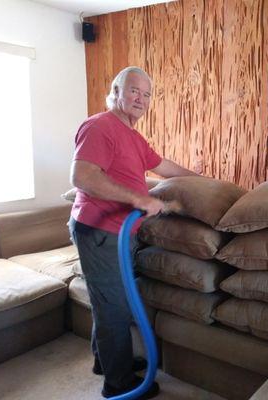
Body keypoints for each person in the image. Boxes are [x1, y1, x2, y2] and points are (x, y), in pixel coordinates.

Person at [68, 66, 198, 399]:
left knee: (113, 300)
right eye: (133, 91)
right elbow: (82, 176)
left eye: (147, 94)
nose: (140, 99)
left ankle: (107, 361)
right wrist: (139, 198)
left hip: (119, 232)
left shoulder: (133, 136)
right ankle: (118, 383)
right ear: (116, 91)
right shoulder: (100, 126)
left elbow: (163, 165)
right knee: (113, 306)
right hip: (98, 230)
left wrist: (202, 179)